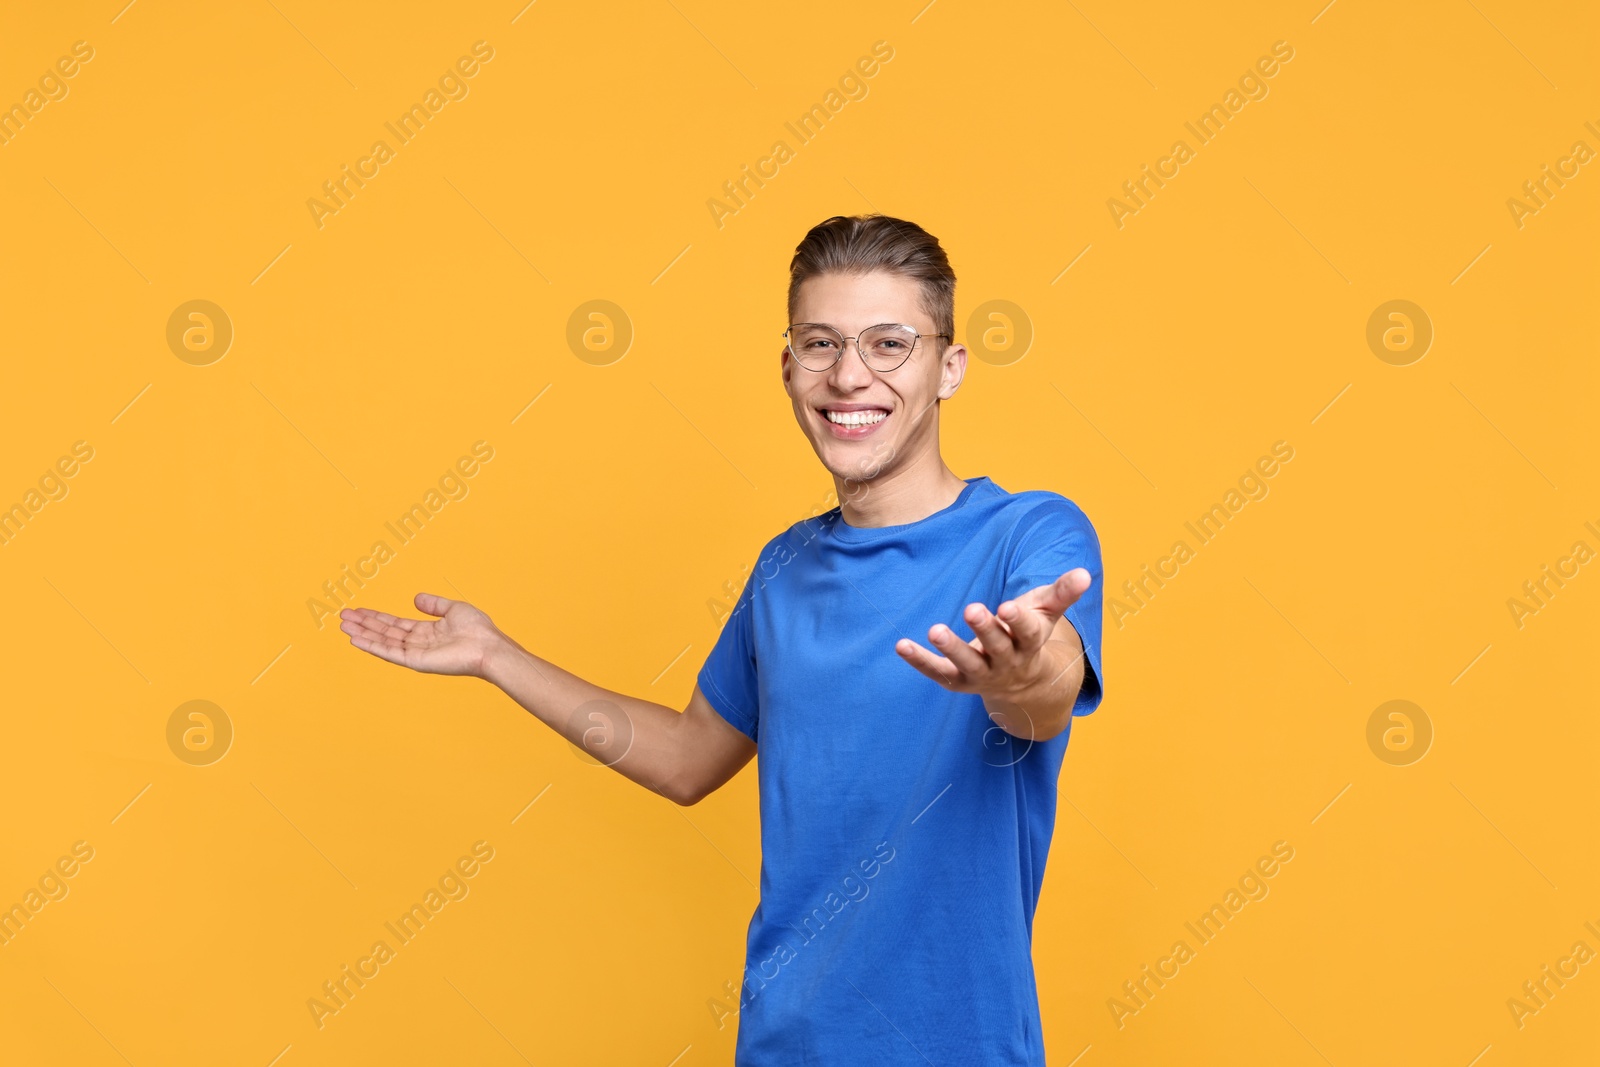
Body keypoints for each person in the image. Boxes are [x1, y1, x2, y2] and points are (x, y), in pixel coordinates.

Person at [340, 213, 1105, 1064]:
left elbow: (1046, 698)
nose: (849, 375)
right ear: (789, 368)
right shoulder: (784, 568)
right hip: (783, 1046)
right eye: (820, 344)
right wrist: (495, 656)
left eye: (889, 344)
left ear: (948, 367)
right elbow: (685, 759)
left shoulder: (1027, 534)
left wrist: (1017, 671)